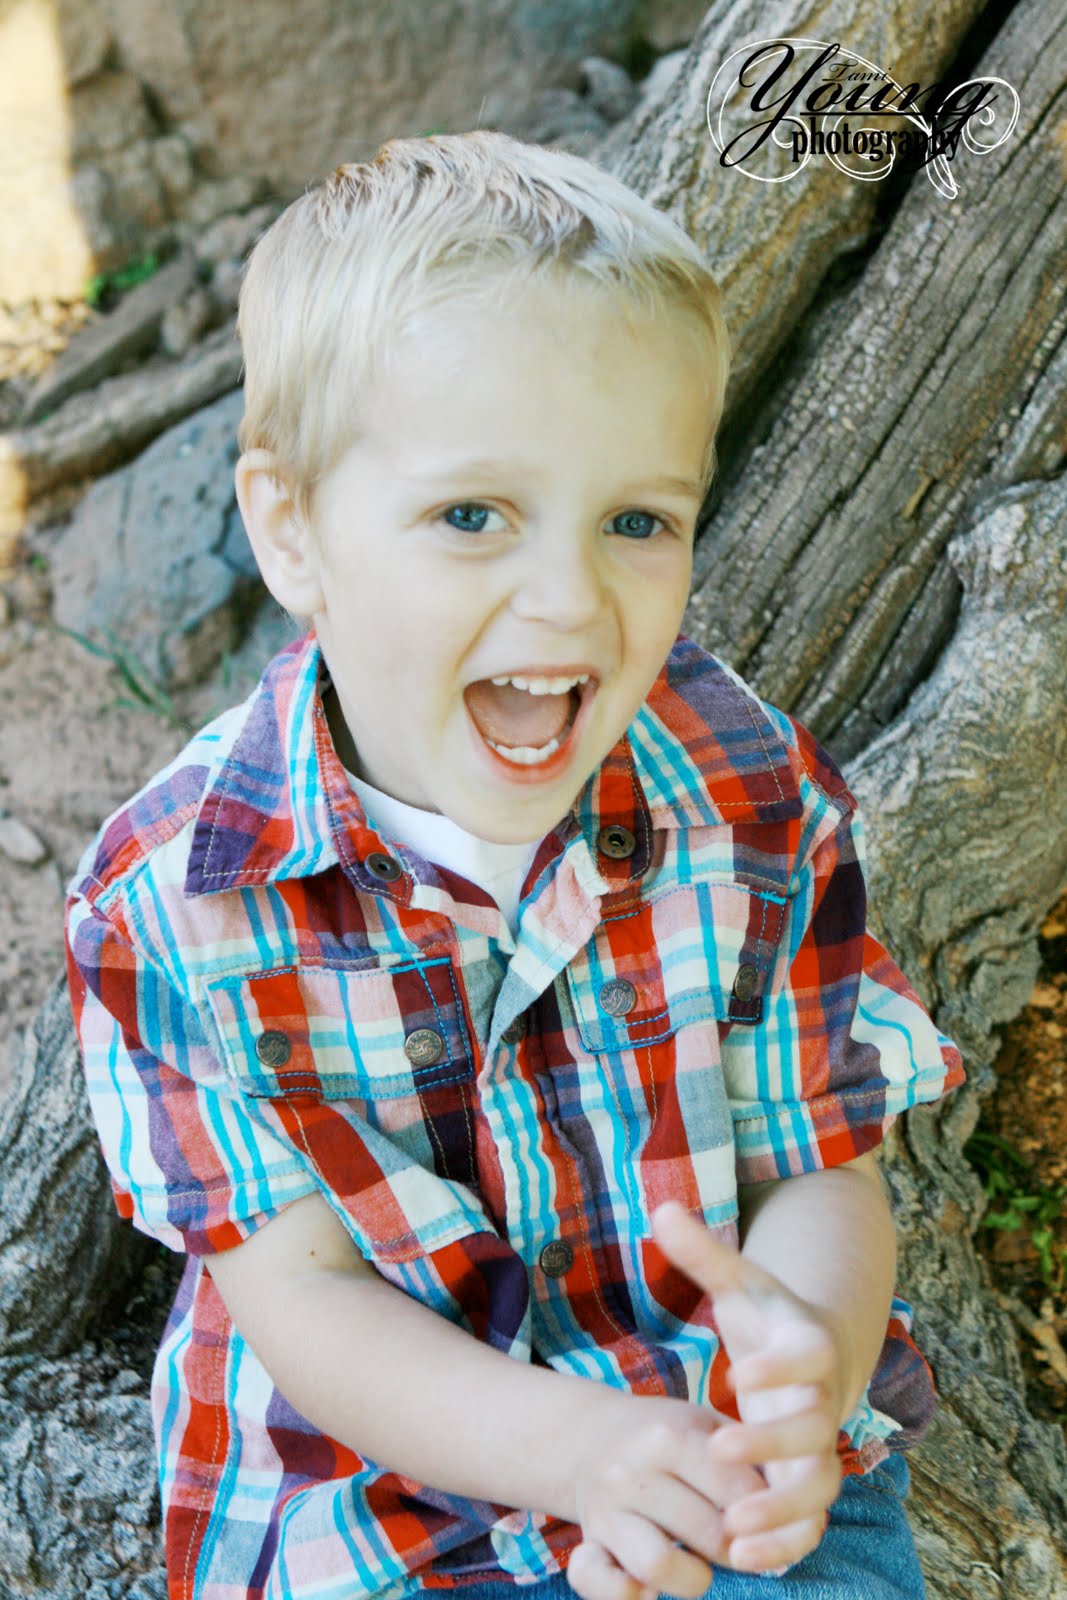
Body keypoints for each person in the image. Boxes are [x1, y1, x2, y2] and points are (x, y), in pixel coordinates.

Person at [64, 129, 966, 1600]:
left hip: (716, 1466)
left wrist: (803, 1361)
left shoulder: (746, 796)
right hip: (380, 1509)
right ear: (292, 531)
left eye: (636, 521)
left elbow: (814, 1160)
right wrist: (574, 1454)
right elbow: (302, 1295)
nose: (568, 597)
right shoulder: (180, 897)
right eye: (472, 515)